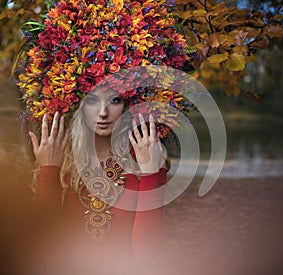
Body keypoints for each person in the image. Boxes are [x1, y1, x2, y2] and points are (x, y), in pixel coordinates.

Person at [15, 0, 193, 273]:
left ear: (131, 103)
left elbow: (145, 255)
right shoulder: (63, 161)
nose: (103, 112)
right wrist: (49, 171)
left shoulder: (144, 159)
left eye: (115, 100)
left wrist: (148, 174)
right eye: (91, 101)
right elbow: (44, 245)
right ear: (75, 103)